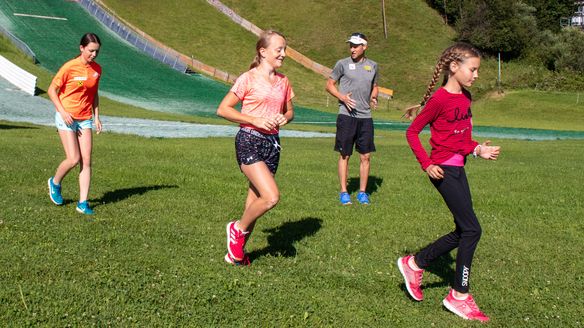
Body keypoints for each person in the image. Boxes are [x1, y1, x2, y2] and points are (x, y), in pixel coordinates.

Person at [397, 43, 500, 322]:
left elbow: (461, 139)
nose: (476, 75)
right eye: (473, 69)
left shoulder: (466, 98)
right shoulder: (439, 100)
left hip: (458, 168)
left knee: (464, 230)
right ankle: (459, 295)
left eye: (477, 70)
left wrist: (477, 149)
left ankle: (414, 263)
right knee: (472, 230)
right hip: (442, 169)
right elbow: (412, 132)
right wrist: (427, 164)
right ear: (454, 67)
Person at [216, 30, 294, 266]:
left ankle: (236, 254)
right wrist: (255, 119)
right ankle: (236, 229)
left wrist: (285, 118)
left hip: (273, 145)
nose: (283, 54)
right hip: (249, 139)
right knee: (271, 197)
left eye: (284, 49)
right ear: (263, 52)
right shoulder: (247, 78)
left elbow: (289, 111)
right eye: (278, 49)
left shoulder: (284, 81)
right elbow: (223, 109)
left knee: (254, 203)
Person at [47, 33, 103, 215]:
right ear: (81, 48)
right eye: (91, 51)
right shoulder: (69, 67)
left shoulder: (97, 70)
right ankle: (54, 183)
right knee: (73, 159)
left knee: (86, 161)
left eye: (97, 51)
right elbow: (51, 90)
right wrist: (63, 112)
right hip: (66, 117)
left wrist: (96, 117)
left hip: (85, 118)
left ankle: (83, 203)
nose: (94, 55)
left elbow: (94, 94)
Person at [326, 32, 379, 205]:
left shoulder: (373, 66)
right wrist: (341, 97)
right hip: (346, 116)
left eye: (356, 45)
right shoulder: (342, 64)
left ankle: (362, 193)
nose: (352, 48)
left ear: (365, 47)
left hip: (366, 117)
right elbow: (329, 85)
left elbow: (375, 86)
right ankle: (344, 192)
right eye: (351, 45)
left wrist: (374, 97)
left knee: (366, 156)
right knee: (345, 155)